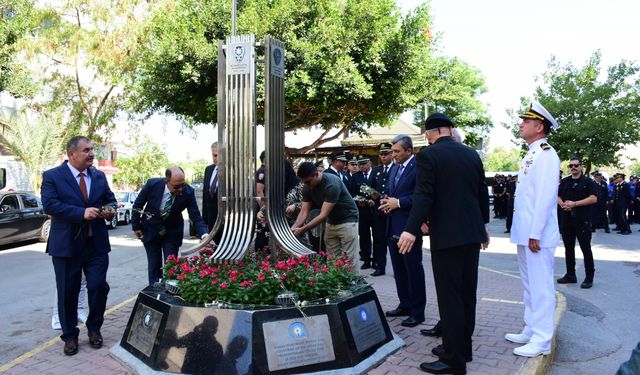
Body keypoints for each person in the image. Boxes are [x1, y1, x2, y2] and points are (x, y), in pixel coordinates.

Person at [397, 114, 489, 375]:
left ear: (432, 132)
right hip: (471, 234)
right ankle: (463, 348)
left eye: (426, 132)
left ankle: (453, 360)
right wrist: (482, 226)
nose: (426, 137)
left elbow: (423, 194)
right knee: (466, 294)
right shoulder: (471, 154)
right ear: (451, 129)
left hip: (447, 237)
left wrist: (410, 229)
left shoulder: (429, 155)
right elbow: (481, 192)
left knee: (450, 299)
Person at [41, 135, 116, 356]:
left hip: (96, 244)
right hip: (66, 246)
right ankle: (70, 336)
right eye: (86, 150)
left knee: (98, 287)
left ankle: (94, 329)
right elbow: (50, 205)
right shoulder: (53, 176)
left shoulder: (99, 176)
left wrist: (110, 209)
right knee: (67, 291)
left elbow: (110, 199)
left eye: (92, 149)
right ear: (71, 153)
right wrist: (81, 213)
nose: (92, 153)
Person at [506, 101, 561, 358]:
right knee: (529, 285)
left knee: (541, 288)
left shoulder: (547, 154)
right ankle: (531, 328)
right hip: (526, 233)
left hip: (536, 235)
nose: (521, 124)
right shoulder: (532, 153)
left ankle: (541, 340)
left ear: (539, 127)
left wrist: (535, 232)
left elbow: (546, 197)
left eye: (526, 122)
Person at [379, 134, 426, 328]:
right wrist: (387, 200)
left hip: (409, 228)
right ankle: (405, 304)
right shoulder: (395, 168)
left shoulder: (420, 168)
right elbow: (395, 193)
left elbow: (421, 196)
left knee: (412, 269)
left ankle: (417, 312)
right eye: (392, 151)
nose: (393, 154)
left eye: (397, 151)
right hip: (393, 225)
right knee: (398, 269)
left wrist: (398, 203)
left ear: (409, 151)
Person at [132, 167, 208, 285]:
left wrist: (204, 235)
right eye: (176, 187)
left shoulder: (188, 192)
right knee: (154, 266)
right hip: (151, 230)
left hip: (172, 232)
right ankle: (155, 295)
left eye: (182, 184)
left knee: (171, 266)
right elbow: (138, 205)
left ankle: (169, 294)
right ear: (166, 181)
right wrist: (136, 226)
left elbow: (195, 216)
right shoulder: (152, 185)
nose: (181, 189)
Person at [291, 162, 359, 274]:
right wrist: (293, 229)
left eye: (308, 182)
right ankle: (336, 287)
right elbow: (304, 211)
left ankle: (354, 285)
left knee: (349, 258)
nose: (306, 185)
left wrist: (303, 229)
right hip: (331, 221)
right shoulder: (307, 186)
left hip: (347, 219)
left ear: (317, 174)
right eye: (304, 182)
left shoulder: (332, 184)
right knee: (332, 259)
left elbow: (323, 215)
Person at [557, 157, 598, 288]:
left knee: (585, 249)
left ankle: (589, 277)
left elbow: (593, 198)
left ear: (581, 166)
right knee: (568, 249)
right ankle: (570, 274)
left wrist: (575, 204)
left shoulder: (588, 182)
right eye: (571, 166)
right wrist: (563, 204)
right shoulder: (565, 182)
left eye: (576, 165)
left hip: (582, 220)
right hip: (567, 219)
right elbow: (557, 196)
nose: (573, 168)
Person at [369, 142, 396, 277]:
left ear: (392, 154)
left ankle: (399, 268)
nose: (383, 156)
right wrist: (372, 195)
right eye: (381, 154)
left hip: (394, 210)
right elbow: (371, 188)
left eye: (386, 154)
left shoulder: (397, 168)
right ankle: (380, 266)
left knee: (394, 239)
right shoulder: (376, 170)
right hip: (379, 210)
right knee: (379, 240)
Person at [353, 155, 375, 269]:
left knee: (377, 236)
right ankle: (366, 260)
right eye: (359, 164)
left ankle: (377, 260)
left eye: (364, 164)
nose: (361, 166)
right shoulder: (356, 176)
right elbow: (352, 192)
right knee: (364, 235)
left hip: (376, 210)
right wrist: (358, 201)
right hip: (362, 210)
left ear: (369, 163)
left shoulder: (377, 173)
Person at [202, 142, 220, 238]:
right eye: (213, 155)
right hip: (211, 221)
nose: (214, 158)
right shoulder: (208, 170)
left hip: (226, 223)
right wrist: (204, 221)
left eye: (216, 155)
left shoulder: (232, 171)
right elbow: (205, 197)